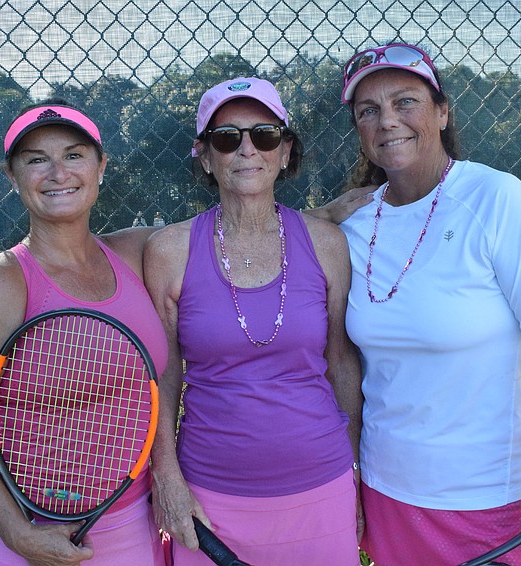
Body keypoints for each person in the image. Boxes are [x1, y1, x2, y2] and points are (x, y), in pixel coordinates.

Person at [324, 42, 521, 566]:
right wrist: (322, 214)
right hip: (388, 493)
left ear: (442, 113)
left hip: (491, 497)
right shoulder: (351, 224)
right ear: (358, 128)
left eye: (406, 102)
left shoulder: (495, 198)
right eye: (368, 110)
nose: (387, 121)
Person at [0, 99, 167, 566]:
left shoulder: (139, 253)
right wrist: (19, 534)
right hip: (26, 536)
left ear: (102, 166)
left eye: (74, 155)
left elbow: (232, 225)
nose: (58, 172)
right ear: (12, 176)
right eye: (37, 159)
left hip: (134, 525)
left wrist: (324, 215)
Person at [144, 77, 364, 565]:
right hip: (210, 495)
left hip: (320, 488)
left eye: (264, 135)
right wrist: (168, 478)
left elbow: (342, 364)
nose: (247, 150)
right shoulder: (170, 251)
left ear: (285, 151)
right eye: (227, 138)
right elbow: (163, 375)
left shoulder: (327, 245)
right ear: (204, 156)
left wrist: (355, 470)